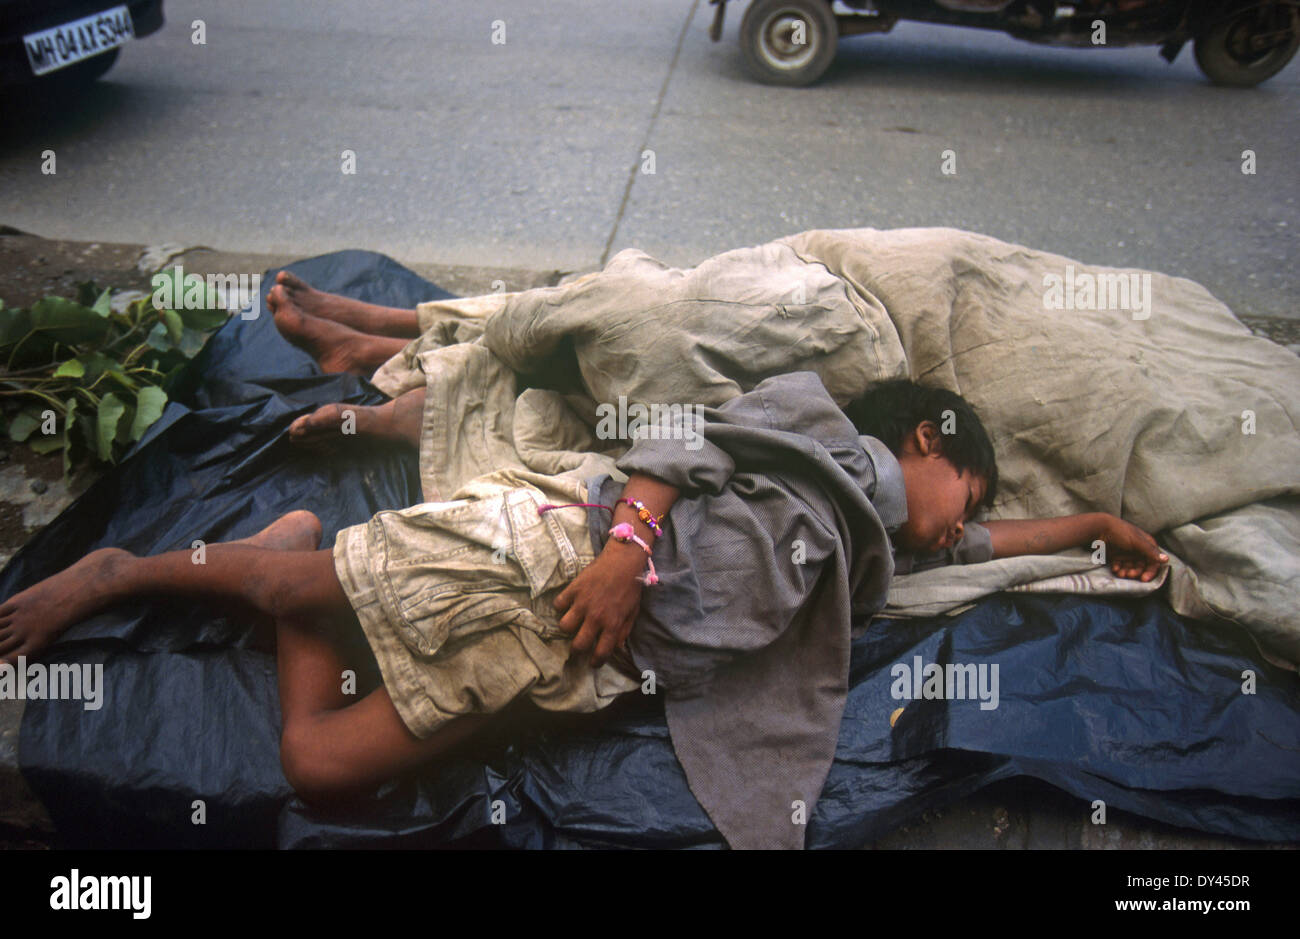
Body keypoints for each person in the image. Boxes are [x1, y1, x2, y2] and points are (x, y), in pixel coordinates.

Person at [0, 346, 1167, 846]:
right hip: (567, 554)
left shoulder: (871, 544)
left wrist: (1099, 529)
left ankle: (304, 565)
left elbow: (990, 539)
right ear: (924, 436)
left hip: (576, 656)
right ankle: (123, 570)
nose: (965, 530)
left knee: (319, 765)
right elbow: (675, 430)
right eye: (964, 493)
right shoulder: (817, 425)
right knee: (298, 578)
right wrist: (629, 540)